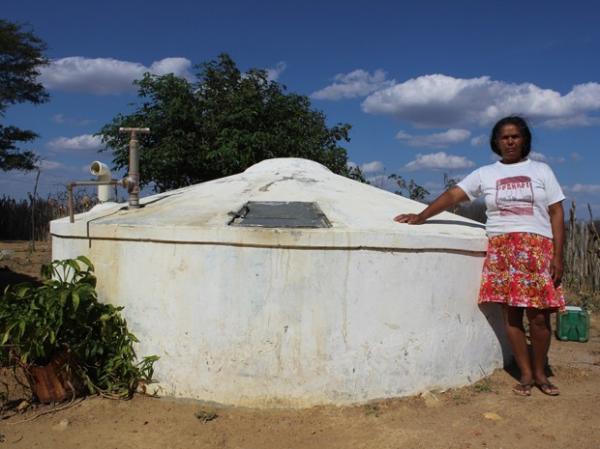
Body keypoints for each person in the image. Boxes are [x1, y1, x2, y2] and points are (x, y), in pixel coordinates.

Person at [394, 116, 565, 397]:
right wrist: (422, 216)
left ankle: (540, 373)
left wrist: (559, 255)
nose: (510, 142)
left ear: (525, 140)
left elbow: (557, 212)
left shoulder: (541, 170)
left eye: (515, 136)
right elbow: (453, 196)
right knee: (512, 315)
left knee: (539, 318)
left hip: (537, 250)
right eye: (504, 137)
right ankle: (524, 373)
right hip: (503, 250)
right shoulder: (486, 173)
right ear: (495, 143)